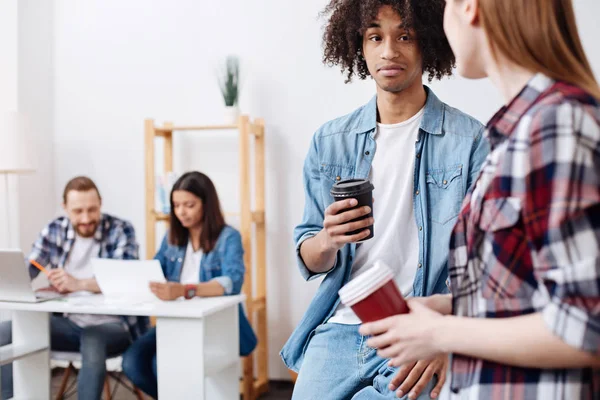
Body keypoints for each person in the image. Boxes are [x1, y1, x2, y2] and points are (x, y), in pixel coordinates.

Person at [360, 0, 600, 398]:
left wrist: (439, 333)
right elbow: (530, 294)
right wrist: (453, 306)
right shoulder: (514, 132)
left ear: (469, 8)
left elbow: (586, 326)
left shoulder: (556, 126)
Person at [281, 0, 489, 398]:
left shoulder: (470, 142)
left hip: (416, 330)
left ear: (427, 42)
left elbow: (482, 265)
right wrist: (327, 239)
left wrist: (445, 338)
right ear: (360, 46)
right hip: (339, 329)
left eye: (405, 36)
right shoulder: (330, 142)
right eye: (375, 36)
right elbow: (308, 255)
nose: (389, 51)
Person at [0, 176, 146, 400]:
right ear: (65, 207)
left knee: (93, 337)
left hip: (115, 326)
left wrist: (78, 284)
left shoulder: (121, 230)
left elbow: (124, 282)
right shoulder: (55, 230)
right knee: (7, 331)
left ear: (101, 204)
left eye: (92, 209)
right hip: (68, 324)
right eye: (78, 211)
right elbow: (30, 267)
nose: (86, 218)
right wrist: (15, 280)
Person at [121, 171, 257, 399]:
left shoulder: (228, 237)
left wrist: (185, 290)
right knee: (132, 362)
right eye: (176, 205)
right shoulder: (172, 238)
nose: (181, 212)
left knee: (159, 365)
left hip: (212, 327)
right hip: (173, 324)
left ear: (206, 203)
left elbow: (232, 282)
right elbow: (153, 272)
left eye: (189, 205)